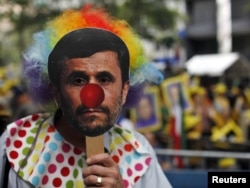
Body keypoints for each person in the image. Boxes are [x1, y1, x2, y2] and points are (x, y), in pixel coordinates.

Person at [0, 4, 172, 188]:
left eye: (104, 79)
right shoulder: (13, 143)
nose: (92, 95)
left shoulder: (139, 152)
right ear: (56, 91)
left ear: (124, 91)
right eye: (79, 80)